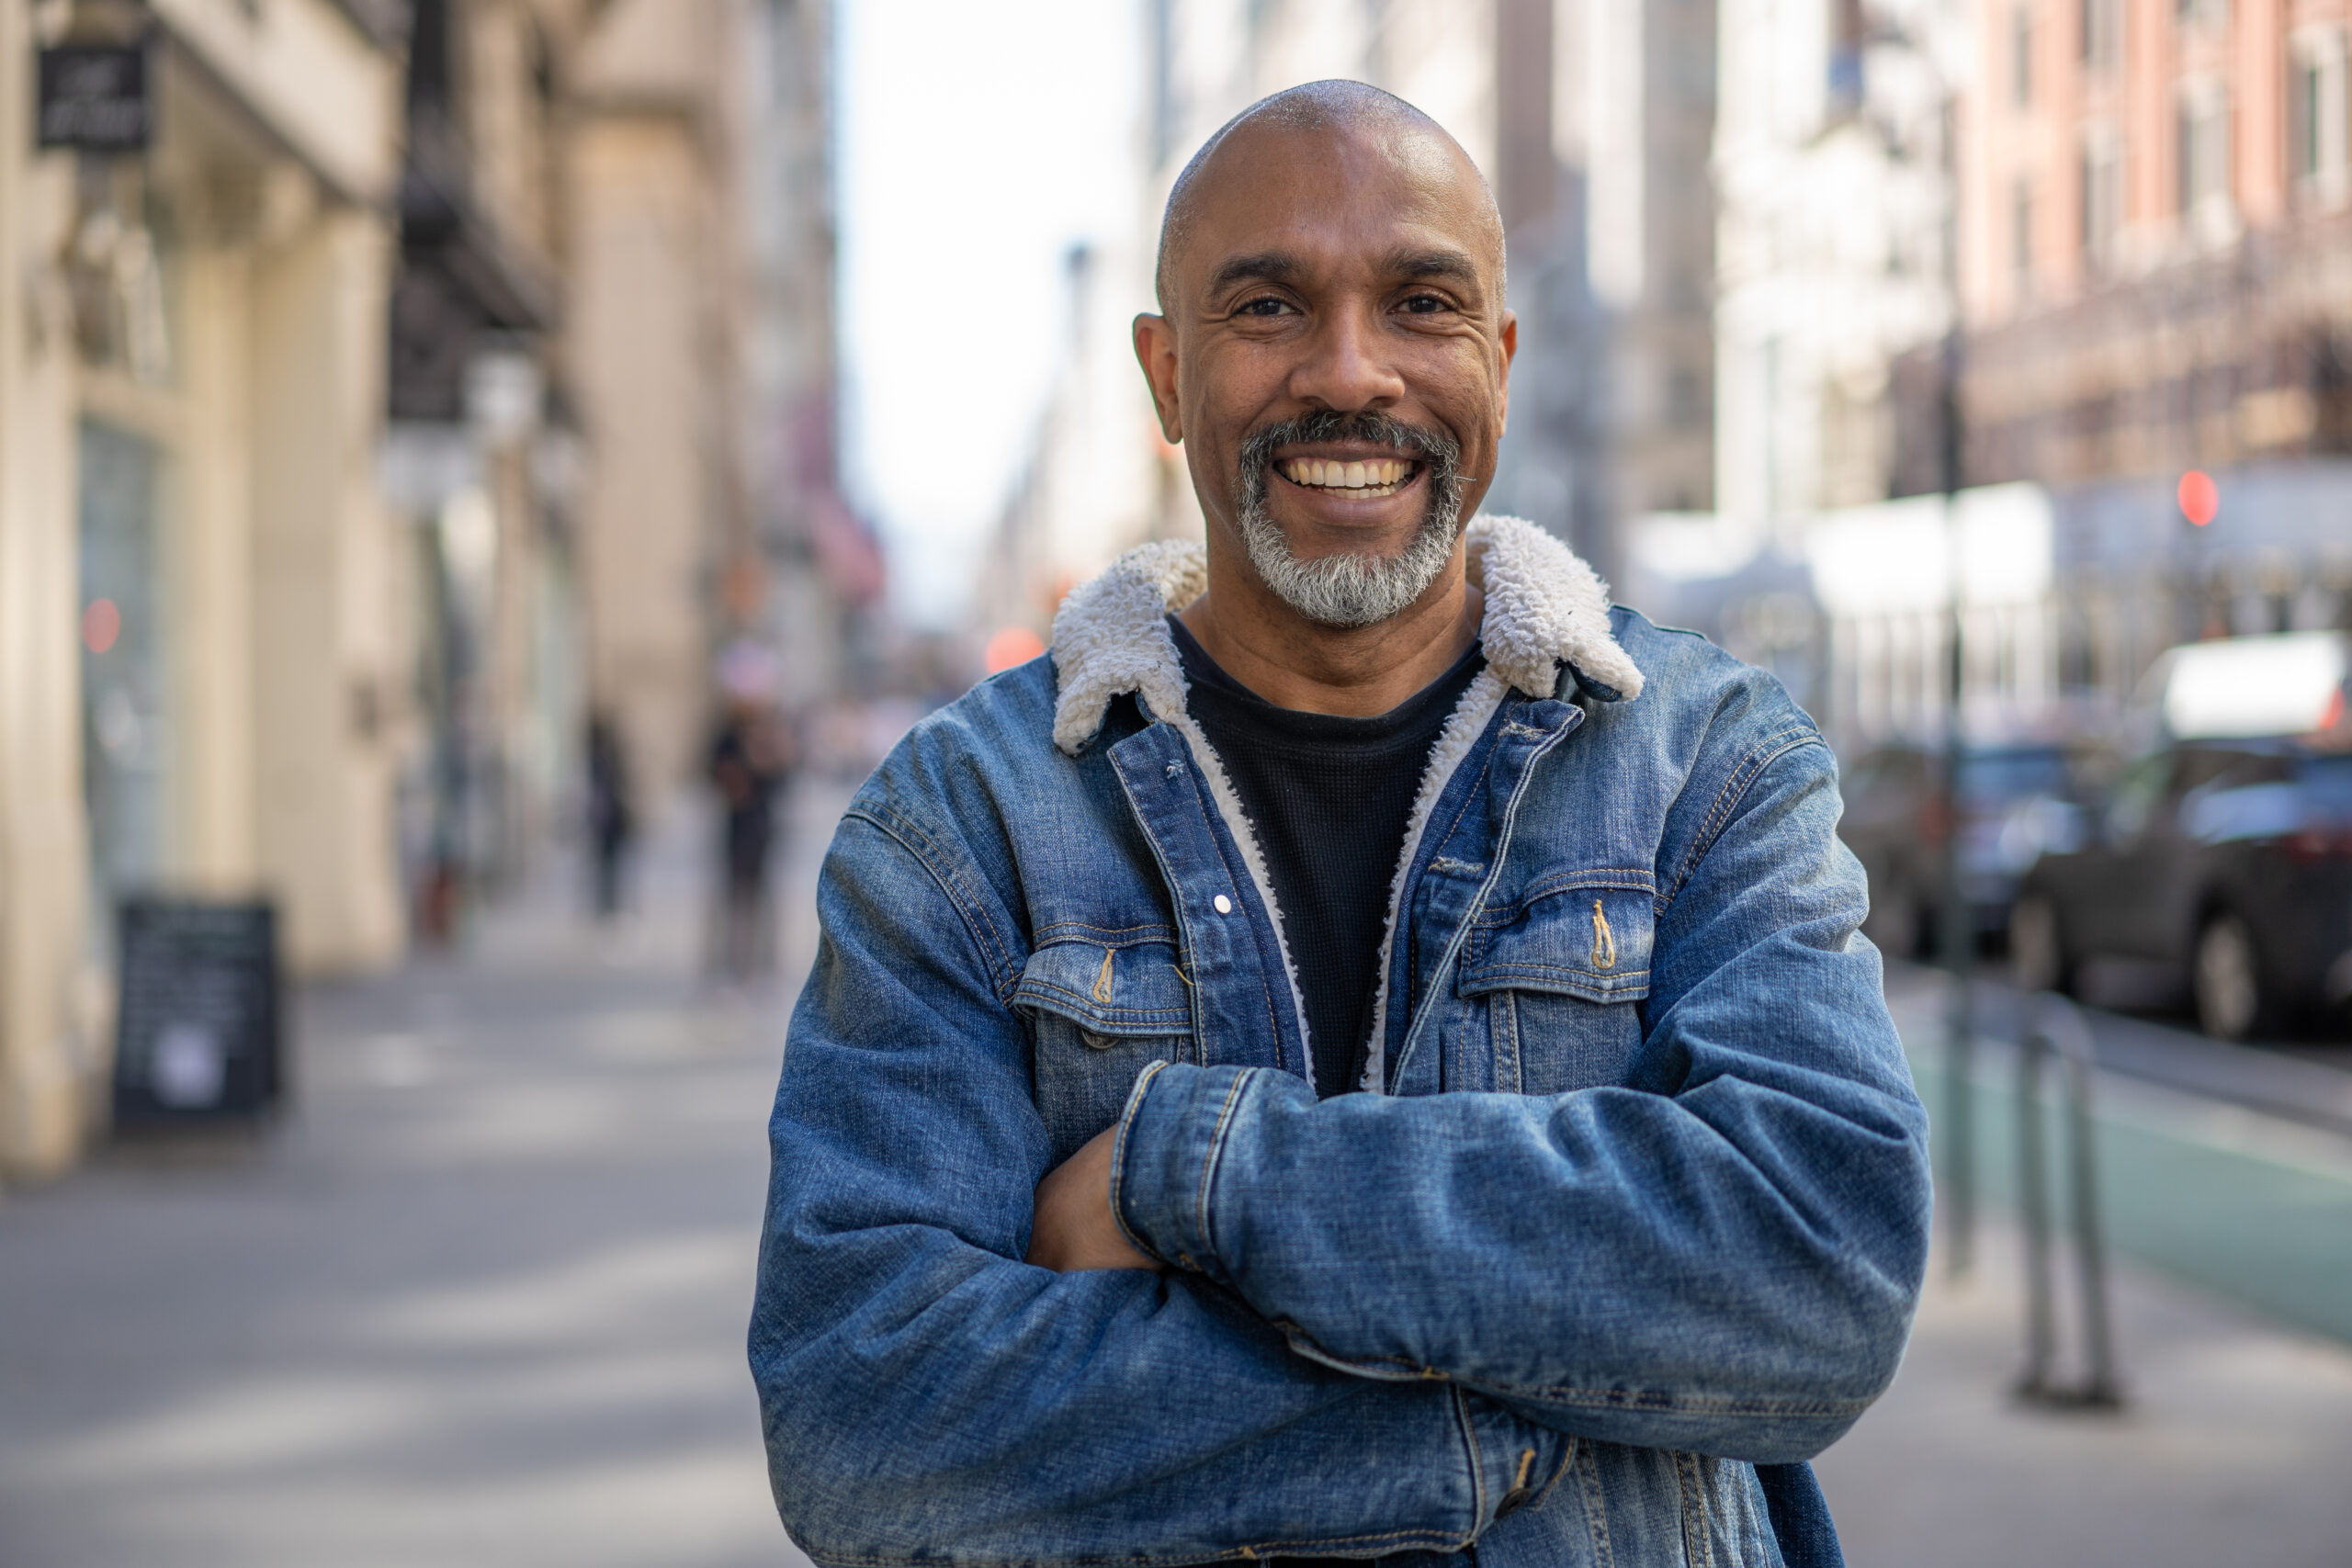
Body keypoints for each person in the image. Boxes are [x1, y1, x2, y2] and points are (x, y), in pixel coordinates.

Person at [751, 81, 1928, 1568]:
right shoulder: (963, 818)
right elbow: (865, 1419)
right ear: (1166, 375)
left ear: (1499, 362)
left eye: (1422, 303)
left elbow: (1822, 1275)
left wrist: (1191, 1170)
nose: (1352, 371)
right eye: (1269, 306)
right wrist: (1501, 1439)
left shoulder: (1707, 757)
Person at [707, 694, 790, 980]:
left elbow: (780, 776)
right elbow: (713, 773)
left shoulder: (769, 736)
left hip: (761, 828)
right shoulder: (727, 739)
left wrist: (766, 754)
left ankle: (763, 965)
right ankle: (730, 963)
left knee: (763, 898)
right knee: (733, 898)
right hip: (736, 828)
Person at [584, 712, 635, 919]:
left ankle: (609, 902)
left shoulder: (605, 761)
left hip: (609, 819)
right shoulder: (598, 762)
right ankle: (605, 902)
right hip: (605, 820)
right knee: (606, 864)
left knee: (610, 864)